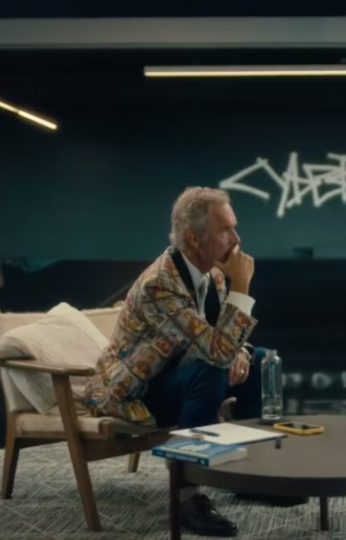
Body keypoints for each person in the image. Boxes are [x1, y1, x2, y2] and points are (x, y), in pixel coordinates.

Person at [82, 187, 301, 537]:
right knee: (209, 370)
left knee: (258, 359)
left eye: (234, 227)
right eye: (225, 230)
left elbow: (222, 340)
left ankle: (251, 478)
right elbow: (216, 352)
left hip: (182, 375)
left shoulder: (213, 275)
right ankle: (186, 498)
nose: (237, 239)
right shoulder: (158, 285)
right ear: (194, 238)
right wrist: (243, 284)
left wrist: (241, 353)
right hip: (138, 392)